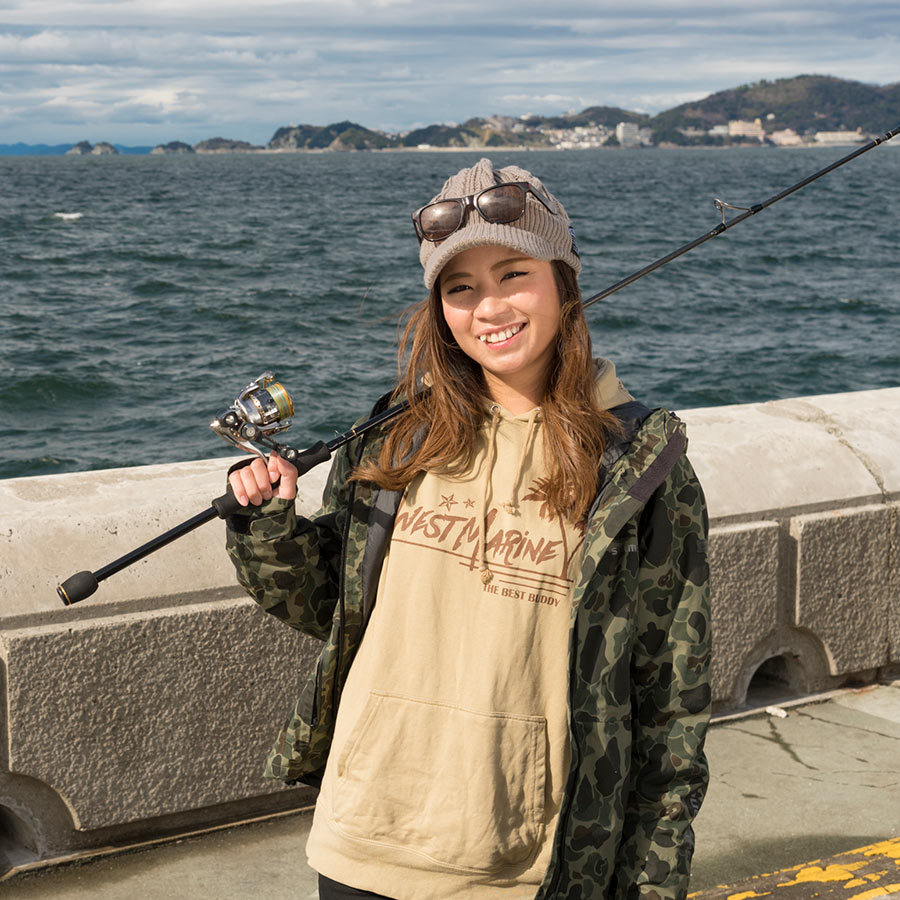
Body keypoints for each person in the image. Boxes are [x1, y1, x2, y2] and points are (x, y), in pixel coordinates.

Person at [225, 158, 711, 900]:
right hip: (362, 838)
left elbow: (672, 707)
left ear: (563, 281)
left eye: (514, 274)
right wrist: (267, 523)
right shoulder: (396, 435)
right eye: (461, 288)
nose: (490, 308)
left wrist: (653, 881)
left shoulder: (640, 462)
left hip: (525, 866)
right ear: (439, 309)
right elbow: (331, 606)